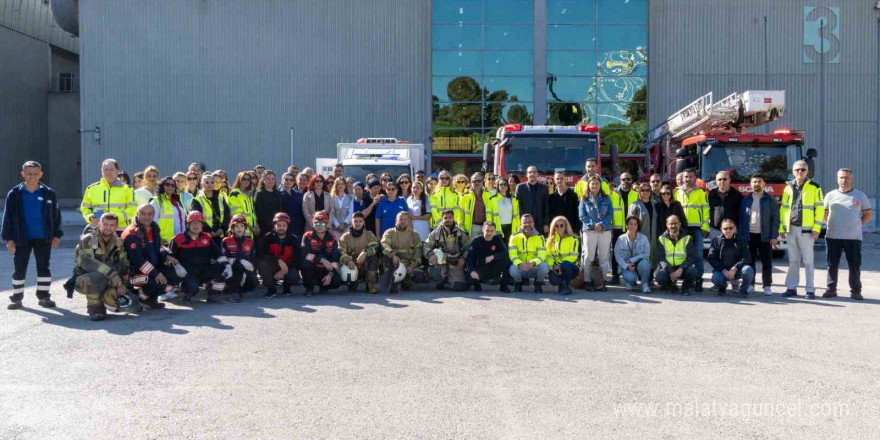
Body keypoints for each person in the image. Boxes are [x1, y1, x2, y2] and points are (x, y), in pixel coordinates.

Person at [2, 161, 62, 309]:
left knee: (43, 267)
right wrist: (9, 239)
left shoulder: (49, 193)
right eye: (29, 174)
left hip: (43, 237)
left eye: (35, 174)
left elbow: (56, 216)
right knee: (19, 267)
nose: (32, 176)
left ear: (41, 174)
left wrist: (56, 235)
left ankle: (43, 297)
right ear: (23, 174)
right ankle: (16, 298)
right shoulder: (14, 194)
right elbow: (7, 217)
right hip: (21, 238)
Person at [72, 213, 138, 321]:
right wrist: (112, 275)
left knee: (135, 305)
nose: (108, 227)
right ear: (99, 224)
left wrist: (123, 284)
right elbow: (88, 263)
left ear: (116, 227)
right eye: (105, 224)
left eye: (112, 225)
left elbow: (123, 263)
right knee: (96, 276)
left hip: (109, 277)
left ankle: (106, 298)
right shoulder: (89, 239)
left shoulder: (118, 242)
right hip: (85, 279)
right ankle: (94, 308)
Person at [823, 168, 872, 300]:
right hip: (833, 236)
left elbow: (867, 214)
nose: (844, 180)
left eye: (846, 177)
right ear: (837, 179)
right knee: (832, 264)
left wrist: (858, 224)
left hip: (853, 237)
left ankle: (856, 291)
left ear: (851, 179)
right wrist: (831, 224)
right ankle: (831, 289)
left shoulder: (859, 196)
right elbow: (824, 213)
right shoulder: (830, 195)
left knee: (854, 265)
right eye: (841, 177)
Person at [779, 160, 824, 299]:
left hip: (807, 231)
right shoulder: (787, 187)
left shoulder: (815, 187)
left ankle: (810, 290)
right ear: (793, 172)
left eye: (802, 169)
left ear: (807, 172)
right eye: (797, 169)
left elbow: (820, 209)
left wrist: (817, 229)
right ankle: (791, 288)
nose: (800, 172)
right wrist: (782, 228)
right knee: (793, 260)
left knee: (808, 261)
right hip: (791, 229)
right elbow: (784, 209)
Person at [120, 204, 178, 307]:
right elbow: (137, 261)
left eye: (150, 214)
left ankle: (150, 298)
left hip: (150, 268)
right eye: (143, 214)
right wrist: (155, 273)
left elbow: (159, 247)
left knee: (177, 273)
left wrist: (166, 255)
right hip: (133, 274)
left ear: (153, 215)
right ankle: (140, 295)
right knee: (160, 283)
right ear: (137, 214)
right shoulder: (132, 233)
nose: (147, 217)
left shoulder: (154, 227)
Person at [169, 212, 230, 303]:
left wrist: (227, 266)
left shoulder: (207, 238)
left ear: (202, 225)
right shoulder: (178, 239)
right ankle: (186, 294)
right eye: (193, 223)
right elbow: (170, 258)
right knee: (193, 288)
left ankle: (213, 294)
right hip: (187, 273)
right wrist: (177, 266)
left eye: (199, 223)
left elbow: (218, 254)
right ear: (188, 224)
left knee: (223, 268)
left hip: (204, 270)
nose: (196, 226)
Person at [738, 174, 779, 296]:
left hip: (764, 236)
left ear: (764, 184)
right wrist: (741, 235)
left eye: (759, 182)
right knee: (750, 262)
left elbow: (775, 218)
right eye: (754, 182)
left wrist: (773, 235)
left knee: (767, 262)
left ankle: (767, 286)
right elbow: (741, 218)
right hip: (748, 235)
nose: (757, 184)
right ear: (750, 184)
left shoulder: (770, 199)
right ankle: (751, 284)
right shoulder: (745, 199)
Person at [674, 169, 709, 292]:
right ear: (682, 178)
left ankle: (699, 279)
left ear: (695, 178)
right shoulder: (677, 192)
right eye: (686, 177)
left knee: (698, 255)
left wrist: (705, 227)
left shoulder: (701, 192)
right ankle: (686, 279)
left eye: (690, 176)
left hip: (696, 229)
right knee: (682, 255)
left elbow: (706, 210)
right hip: (681, 228)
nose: (688, 179)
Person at [80, 158, 137, 231]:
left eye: (111, 169)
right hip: (98, 230)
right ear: (101, 171)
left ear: (117, 171)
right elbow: (85, 208)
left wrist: (113, 220)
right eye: (105, 170)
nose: (108, 172)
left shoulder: (128, 189)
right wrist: (90, 217)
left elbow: (132, 210)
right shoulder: (91, 189)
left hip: (120, 230)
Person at [578, 175, 612, 291]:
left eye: (596, 183)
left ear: (600, 185)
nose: (594, 185)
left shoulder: (606, 198)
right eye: (592, 183)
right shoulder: (584, 199)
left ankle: (601, 281)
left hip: (604, 230)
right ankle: (587, 281)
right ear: (588, 185)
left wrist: (601, 224)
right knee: (589, 256)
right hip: (589, 230)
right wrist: (594, 225)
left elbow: (610, 214)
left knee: (603, 257)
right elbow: (582, 215)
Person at [258, 212, 303, 297]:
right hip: (273, 265)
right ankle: (271, 289)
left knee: (294, 277)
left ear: (287, 226)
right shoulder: (267, 237)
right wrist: (278, 261)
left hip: (288, 266)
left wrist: (284, 269)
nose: (281, 228)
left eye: (284, 225)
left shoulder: (294, 239)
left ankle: (287, 287)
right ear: (274, 225)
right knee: (263, 265)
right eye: (279, 225)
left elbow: (297, 258)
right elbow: (263, 255)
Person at [424, 210, 469, 291]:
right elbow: (426, 246)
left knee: (459, 287)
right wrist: (431, 255)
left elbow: (467, 247)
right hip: (440, 262)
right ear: (442, 219)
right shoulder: (435, 233)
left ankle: (452, 279)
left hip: (455, 263)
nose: (448, 219)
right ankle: (442, 280)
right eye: (445, 218)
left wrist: (463, 258)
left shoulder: (460, 233)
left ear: (453, 218)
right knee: (436, 274)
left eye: (450, 217)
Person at [707, 219, 754, 298]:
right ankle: (722, 288)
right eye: (725, 228)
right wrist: (723, 270)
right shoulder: (716, 241)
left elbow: (746, 257)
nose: (728, 230)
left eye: (730, 228)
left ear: (735, 228)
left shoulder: (741, 240)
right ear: (721, 229)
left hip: (737, 270)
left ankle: (743, 291)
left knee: (748, 270)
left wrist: (735, 268)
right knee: (716, 278)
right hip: (722, 271)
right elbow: (711, 258)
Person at [217, 214, 258, 302]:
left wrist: (250, 268)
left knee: (253, 281)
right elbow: (225, 257)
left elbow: (253, 258)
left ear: (245, 228)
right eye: (236, 226)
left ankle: (238, 289)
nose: (239, 228)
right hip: (229, 269)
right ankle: (231, 291)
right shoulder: (226, 241)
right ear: (232, 228)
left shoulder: (249, 241)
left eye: (242, 226)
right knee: (236, 269)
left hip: (244, 269)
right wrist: (240, 260)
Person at [301, 211, 342, 296]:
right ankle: (309, 288)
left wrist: (330, 275)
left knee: (337, 282)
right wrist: (322, 260)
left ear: (326, 225)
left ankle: (323, 286)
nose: (320, 226)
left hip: (326, 270)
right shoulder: (307, 236)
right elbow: (305, 254)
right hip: (312, 268)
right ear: (313, 224)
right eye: (317, 224)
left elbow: (335, 261)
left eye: (322, 224)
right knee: (305, 263)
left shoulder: (333, 239)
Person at [655, 215, 699, 295]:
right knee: (659, 277)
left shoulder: (687, 238)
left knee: (693, 272)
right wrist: (670, 271)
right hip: (669, 267)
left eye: (675, 223)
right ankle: (671, 286)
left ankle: (685, 288)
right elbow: (661, 258)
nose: (673, 226)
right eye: (671, 223)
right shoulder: (662, 238)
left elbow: (691, 257)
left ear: (679, 224)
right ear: (667, 225)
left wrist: (681, 268)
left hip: (682, 268)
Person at [380, 211, 423, 292]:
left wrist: (413, 265)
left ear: (409, 221)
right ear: (396, 220)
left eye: (405, 219)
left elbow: (418, 251)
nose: (403, 221)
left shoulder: (414, 234)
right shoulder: (389, 232)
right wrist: (393, 255)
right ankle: (394, 281)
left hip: (408, 264)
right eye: (400, 219)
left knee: (418, 275)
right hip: (395, 263)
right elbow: (384, 245)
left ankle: (405, 281)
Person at [339, 212, 380, 293]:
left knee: (374, 258)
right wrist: (348, 261)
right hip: (352, 265)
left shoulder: (369, 234)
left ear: (363, 222)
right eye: (355, 221)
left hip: (366, 265)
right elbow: (340, 251)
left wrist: (365, 252)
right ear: (351, 222)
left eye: (360, 221)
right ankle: (351, 283)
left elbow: (375, 246)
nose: (358, 223)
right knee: (352, 289)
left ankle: (370, 285)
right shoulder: (345, 237)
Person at [507, 214, 549, 293]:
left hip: (533, 266)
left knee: (544, 267)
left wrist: (533, 263)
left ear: (533, 223)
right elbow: (512, 254)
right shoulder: (514, 236)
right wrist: (519, 264)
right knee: (512, 269)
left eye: (530, 222)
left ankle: (538, 283)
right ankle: (518, 283)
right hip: (520, 267)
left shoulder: (539, 237)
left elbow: (542, 255)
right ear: (521, 224)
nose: (527, 224)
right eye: (525, 222)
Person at [609, 172, 638, 285]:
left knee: (633, 253)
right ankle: (615, 276)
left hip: (633, 229)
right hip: (617, 228)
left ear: (632, 180)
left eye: (628, 179)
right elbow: (610, 212)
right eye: (623, 179)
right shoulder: (613, 195)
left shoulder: (636, 195)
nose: (626, 182)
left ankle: (632, 277)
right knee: (616, 253)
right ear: (619, 181)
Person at [466, 222, 511, 292]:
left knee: (506, 260)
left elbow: (505, 252)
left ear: (495, 231)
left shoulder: (497, 239)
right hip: (481, 267)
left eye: (492, 231)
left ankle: (504, 286)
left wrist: (493, 257)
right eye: (487, 230)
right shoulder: (476, 241)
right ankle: (477, 284)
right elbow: (470, 258)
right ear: (483, 230)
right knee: (469, 278)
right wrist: (472, 271)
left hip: (494, 267)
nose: (489, 233)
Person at [614, 215, 652, 293]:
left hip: (639, 263)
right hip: (626, 265)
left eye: (635, 224)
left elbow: (646, 254)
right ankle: (631, 282)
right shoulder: (620, 239)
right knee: (630, 277)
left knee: (645, 264)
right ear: (626, 225)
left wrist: (632, 260)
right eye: (630, 224)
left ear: (638, 226)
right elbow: (618, 256)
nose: (633, 226)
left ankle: (644, 284)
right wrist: (626, 266)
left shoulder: (643, 238)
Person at [191, 173, 230, 242]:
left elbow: (227, 214)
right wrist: (209, 231)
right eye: (206, 182)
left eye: (212, 182)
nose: (209, 184)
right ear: (201, 184)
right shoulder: (197, 200)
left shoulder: (221, 197)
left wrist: (222, 229)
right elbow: (197, 218)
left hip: (220, 235)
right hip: (204, 236)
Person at [546, 216, 579, 295]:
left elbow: (573, 256)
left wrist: (560, 265)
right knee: (553, 281)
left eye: (561, 225)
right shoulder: (549, 241)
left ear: (566, 226)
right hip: (556, 267)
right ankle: (561, 285)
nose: (559, 228)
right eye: (556, 226)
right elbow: (548, 257)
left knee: (565, 265)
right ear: (553, 228)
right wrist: (554, 267)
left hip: (571, 267)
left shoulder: (573, 239)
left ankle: (567, 287)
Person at [150, 176, 187, 245]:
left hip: (180, 241)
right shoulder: (156, 201)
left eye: (173, 185)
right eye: (167, 184)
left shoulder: (177, 202)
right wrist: (158, 238)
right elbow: (152, 223)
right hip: (164, 242)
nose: (170, 187)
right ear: (162, 186)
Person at [515, 166, 550, 234]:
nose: (532, 174)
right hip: (525, 224)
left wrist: (546, 223)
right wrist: (520, 222)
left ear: (537, 174)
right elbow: (518, 206)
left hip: (540, 224)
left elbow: (546, 207)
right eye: (530, 172)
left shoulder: (544, 188)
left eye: (534, 172)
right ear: (526, 175)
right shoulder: (520, 188)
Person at [459, 172, 494, 239]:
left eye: (479, 181)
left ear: (482, 182)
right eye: (474, 181)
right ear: (471, 183)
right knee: (472, 248)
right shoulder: (465, 196)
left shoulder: (489, 195)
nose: (477, 183)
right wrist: (461, 230)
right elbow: (461, 215)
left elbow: (493, 213)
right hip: (472, 228)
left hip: (486, 227)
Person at [254, 170, 283, 240]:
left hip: (277, 226)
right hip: (264, 227)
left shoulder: (278, 193)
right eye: (268, 179)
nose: (271, 181)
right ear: (263, 180)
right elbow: (259, 212)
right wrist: (270, 224)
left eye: (273, 179)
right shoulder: (259, 194)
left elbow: (281, 209)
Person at [227, 171, 258, 236]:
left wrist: (256, 226)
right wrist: (251, 227)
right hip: (240, 231)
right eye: (243, 179)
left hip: (250, 232)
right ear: (239, 180)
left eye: (248, 179)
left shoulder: (248, 195)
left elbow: (252, 213)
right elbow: (238, 214)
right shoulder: (235, 194)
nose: (246, 181)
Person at [280, 172, 308, 239]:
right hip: (284, 227)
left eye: (291, 180)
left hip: (298, 227)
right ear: (282, 181)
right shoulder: (278, 195)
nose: (288, 182)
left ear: (293, 182)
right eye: (286, 179)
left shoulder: (298, 195)